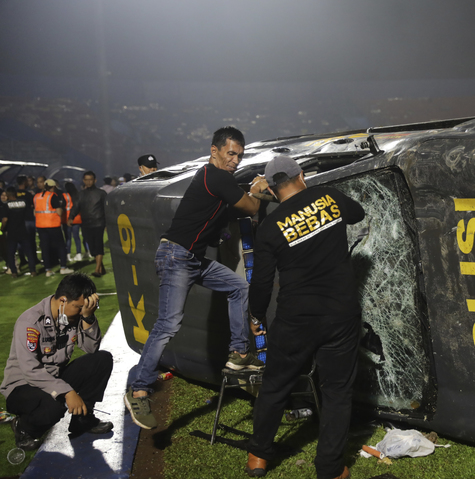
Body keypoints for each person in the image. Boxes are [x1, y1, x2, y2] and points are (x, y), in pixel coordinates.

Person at [124, 126, 268, 430]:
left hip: (191, 258)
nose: (235, 160)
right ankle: (138, 390)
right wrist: (255, 191)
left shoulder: (216, 182)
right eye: (231, 153)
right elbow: (251, 206)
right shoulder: (215, 177)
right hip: (176, 257)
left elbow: (224, 216)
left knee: (238, 288)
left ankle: (240, 353)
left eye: (239, 155)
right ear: (214, 150)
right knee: (168, 324)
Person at [245, 155, 365, 479]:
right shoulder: (327, 198)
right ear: (302, 175)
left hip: (295, 318)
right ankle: (329, 468)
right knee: (337, 392)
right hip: (340, 314)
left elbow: (262, 281)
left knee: (275, 385)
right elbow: (358, 213)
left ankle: (258, 456)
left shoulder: (270, 227)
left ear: (270, 188)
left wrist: (257, 315)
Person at [0, 273, 113, 450]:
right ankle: (23, 428)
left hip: (54, 378)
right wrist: (67, 391)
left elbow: (91, 349)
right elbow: (31, 371)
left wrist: (88, 317)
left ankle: (82, 420)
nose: (81, 311)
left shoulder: (72, 315)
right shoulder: (30, 321)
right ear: (62, 300)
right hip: (22, 387)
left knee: (101, 360)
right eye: (78, 307)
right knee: (56, 403)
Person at [69, 171, 107, 277]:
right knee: (92, 248)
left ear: (95, 180)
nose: (88, 182)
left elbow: (107, 208)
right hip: (86, 224)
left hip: (99, 223)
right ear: (83, 180)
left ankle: (97, 269)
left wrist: (107, 223)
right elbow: (76, 207)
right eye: (86, 179)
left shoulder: (101, 193)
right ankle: (101, 267)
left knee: (98, 246)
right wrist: (71, 217)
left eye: (90, 179)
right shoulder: (81, 195)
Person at [34, 179, 72, 277]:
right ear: (54, 187)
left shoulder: (36, 196)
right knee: (61, 246)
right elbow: (59, 212)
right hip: (53, 225)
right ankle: (63, 267)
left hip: (40, 226)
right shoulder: (52, 196)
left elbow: (35, 212)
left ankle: (48, 270)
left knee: (45, 247)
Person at [1, 187, 38, 277]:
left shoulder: (6, 205)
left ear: (9, 195)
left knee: (11, 253)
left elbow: (5, 219)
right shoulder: (23, 202)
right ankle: (33, 270)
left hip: (12, 231)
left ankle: (14, 272)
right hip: (23, 230)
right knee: (29, 252)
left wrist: (2, 228)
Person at [63, 182, 87, 262]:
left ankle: (68, 255)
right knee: (77, 237)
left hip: (67, 218)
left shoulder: (65, 196)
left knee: (68, 238)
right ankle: (79, 254)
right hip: (77, 218)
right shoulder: (78, 195)